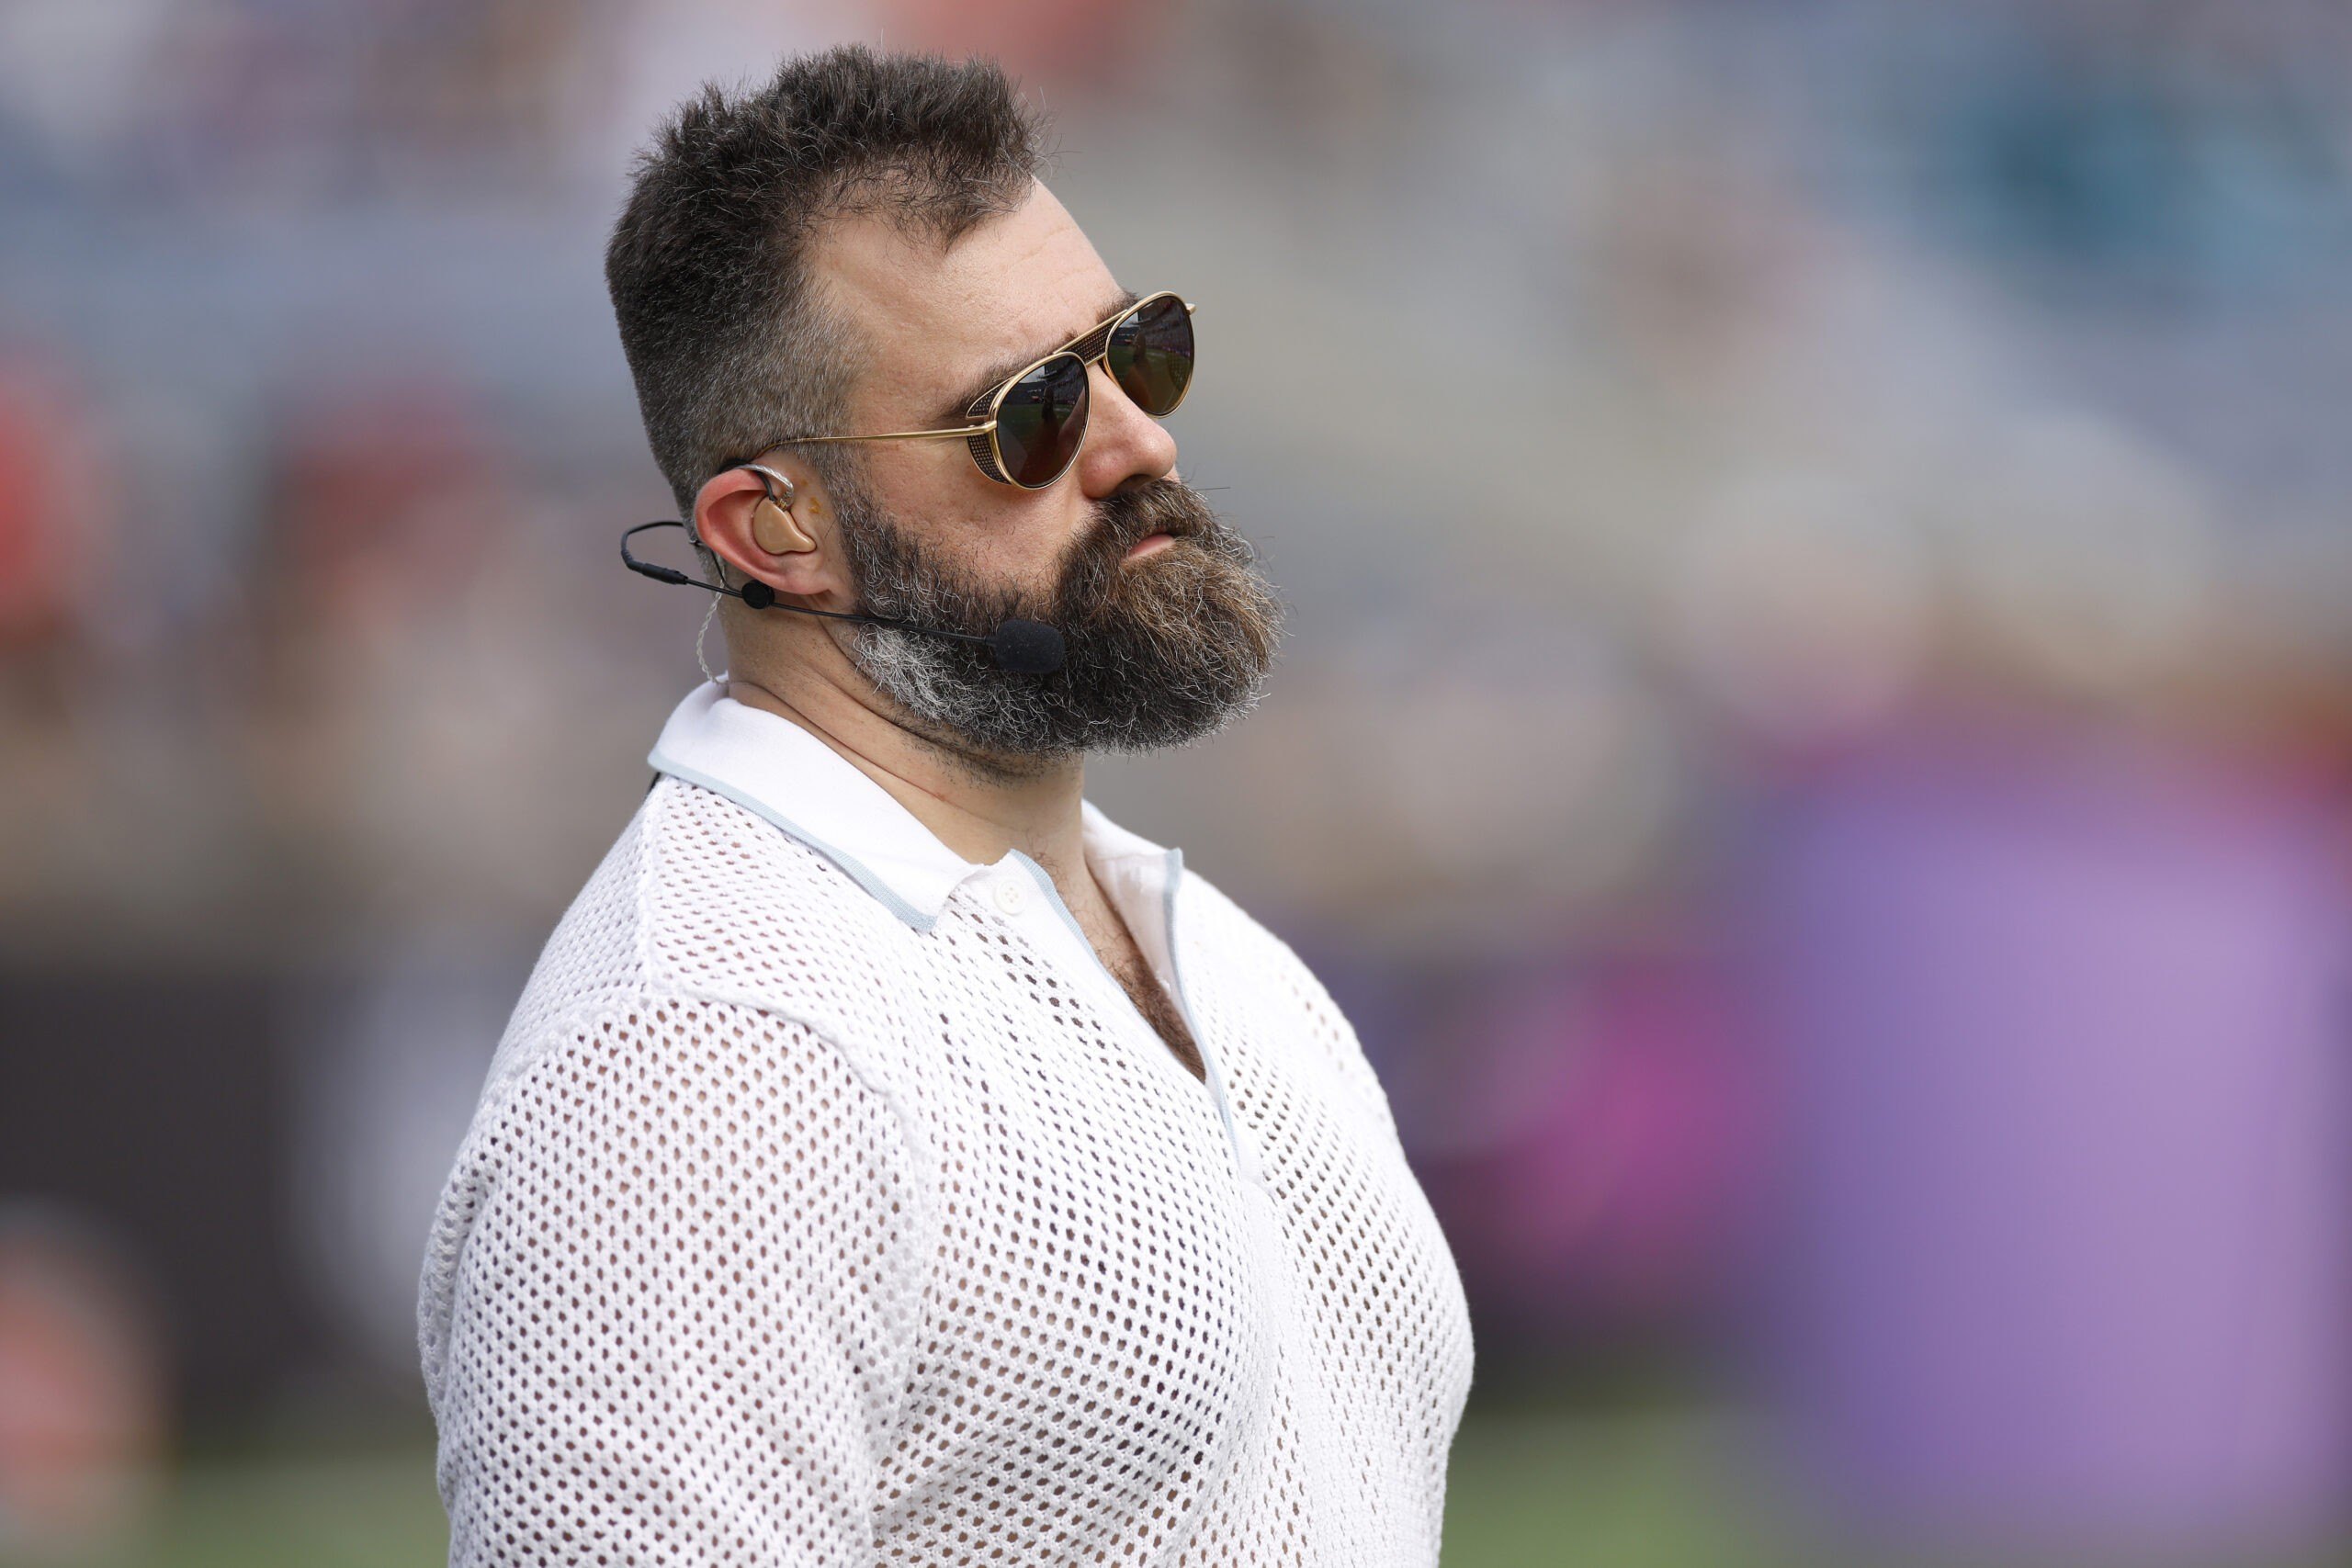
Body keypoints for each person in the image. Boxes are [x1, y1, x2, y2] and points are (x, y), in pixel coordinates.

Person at [416, 43, 1473, 1566]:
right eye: (1028, 419)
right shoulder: (701, 1056)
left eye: (1138, 350)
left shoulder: (1216, 954)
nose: (1138, 442)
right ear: (775, 530)